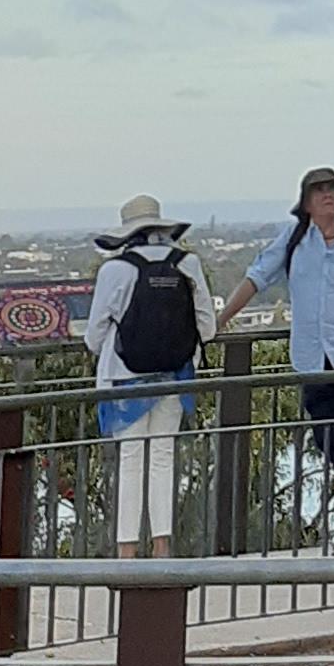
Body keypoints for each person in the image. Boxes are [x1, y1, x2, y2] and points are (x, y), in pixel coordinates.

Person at [222, 162, 334, 531]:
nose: (327, 195)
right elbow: (257, 277)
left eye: (332, 188)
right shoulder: (294, 240)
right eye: (318, 190)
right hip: (313, 360)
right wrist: (220, 321)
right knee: (331, 440)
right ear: (306, 203)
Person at [81, 200, 215, 559]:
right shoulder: (187, 264)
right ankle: (162, 546)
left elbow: (94, 337)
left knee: (130, 460)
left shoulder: (115, 270)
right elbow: (208, 328)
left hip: (125, 379)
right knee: (162, 456)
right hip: (175, 375)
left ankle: (126, 550)